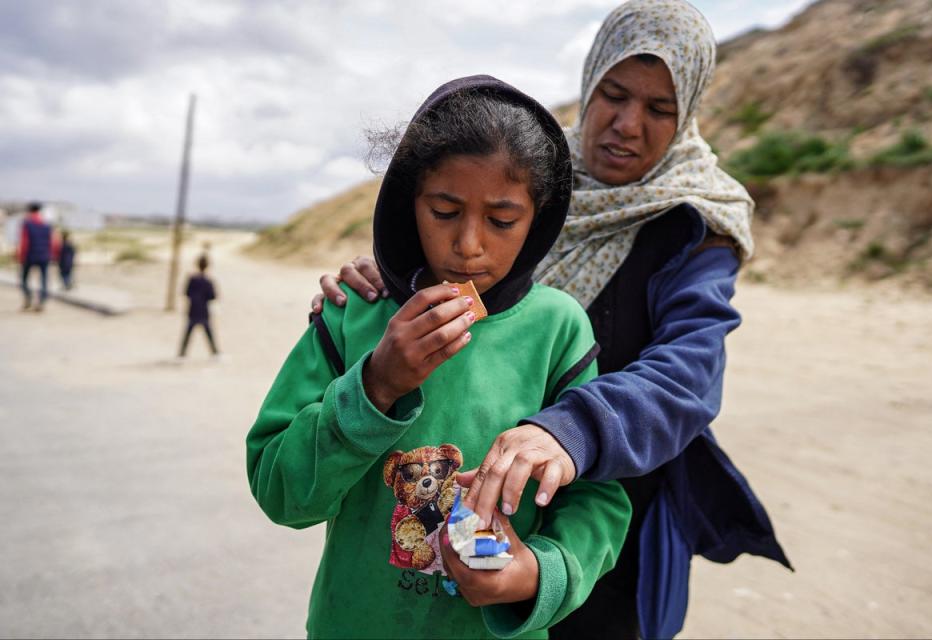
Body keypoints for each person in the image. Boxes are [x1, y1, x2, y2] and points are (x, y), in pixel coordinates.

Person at [311, 2, 792, 638]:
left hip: (607, 514)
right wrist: (388, 283)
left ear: (690, 113)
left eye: (659, 109)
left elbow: (689, 376)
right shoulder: (528, 181)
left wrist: (571, 430)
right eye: (614, 95)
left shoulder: (695, 224)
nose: (626, 124)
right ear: (590, 83)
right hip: (473, 514)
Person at [246, 76, 631, 639]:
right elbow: (280, 492)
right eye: (444, 211)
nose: (469, 245)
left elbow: (597, 499)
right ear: (410, 203)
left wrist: (536, 573)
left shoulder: (557, 329)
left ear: (539, 216)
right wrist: (375, 385)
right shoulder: (353, 312)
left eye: (502, 220)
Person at [178, 255, 219, 358]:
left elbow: (186, 293)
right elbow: (213, 296)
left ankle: (182, 353)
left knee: (188, 333)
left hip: (193, 309)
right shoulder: (208, 281)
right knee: (208, 333)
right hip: (203, 311)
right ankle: (215, 353)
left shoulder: (192, 279)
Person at [18, 202, 53, 311]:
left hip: (30, 255)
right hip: (44, 255)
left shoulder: (27, 223)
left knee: (24, 278)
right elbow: (51, 242)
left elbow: (24, 242)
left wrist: (21, 256)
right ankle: (41, 301)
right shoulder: (46, 224)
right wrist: (51, 255)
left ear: (30, 210)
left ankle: (28, 297)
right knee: (44, 279)